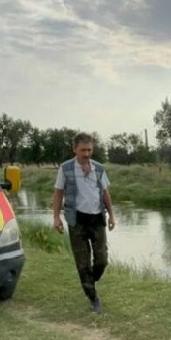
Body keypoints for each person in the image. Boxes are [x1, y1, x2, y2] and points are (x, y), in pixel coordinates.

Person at [52, 132, 116, 313]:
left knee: (102, 260)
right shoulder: (65, 169)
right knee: (82, 262)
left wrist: (111, 215)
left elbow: (105, 193)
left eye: (89, 150)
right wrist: (56, 217)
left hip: (97, 218)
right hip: (76, 220)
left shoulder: (99, 168)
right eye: (82, 150)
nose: (86, 154)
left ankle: (90, 279)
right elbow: (58, 194)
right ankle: (93, 297)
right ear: (75, 149)